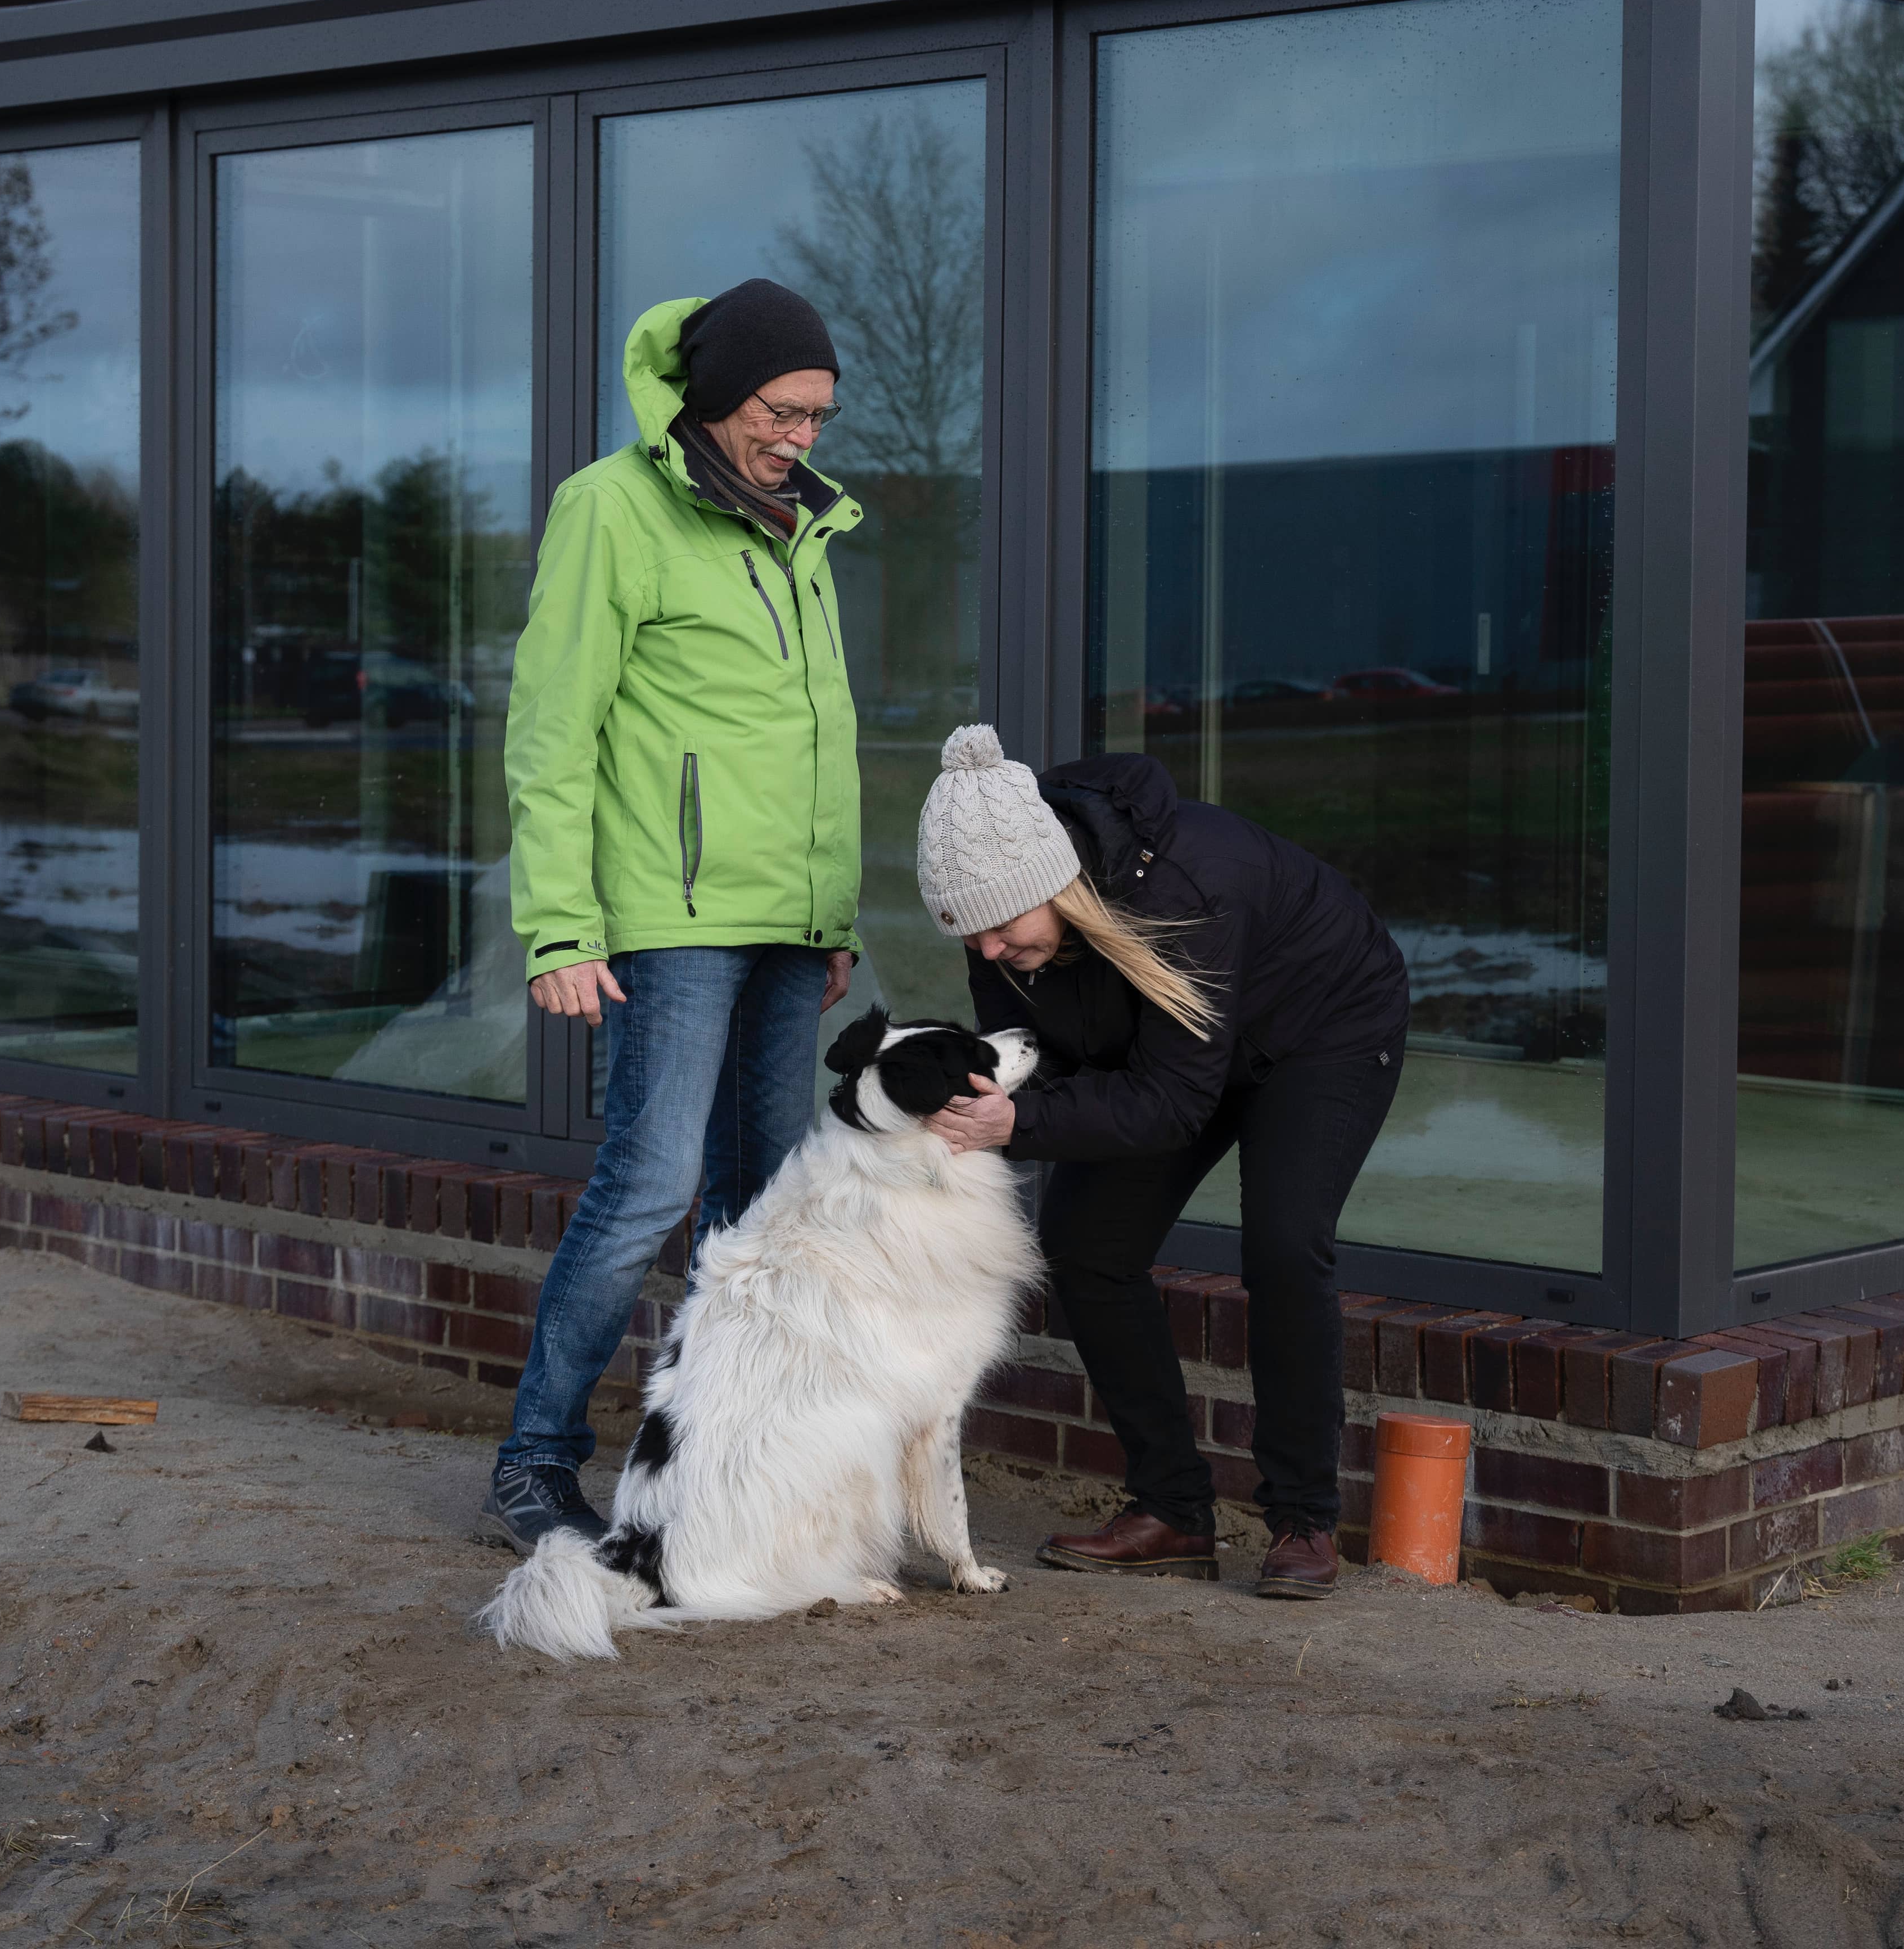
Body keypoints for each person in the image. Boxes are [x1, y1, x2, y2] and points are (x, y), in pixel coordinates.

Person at [488, 278, 866, 1549]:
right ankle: (535, 1461)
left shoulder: (800, 527)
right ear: (715, 399)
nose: (804, 437)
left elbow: (814, 736)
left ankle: (720, 1458)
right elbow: (553, 728)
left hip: (783, 920)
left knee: (758, 1207)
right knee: (651, 1185)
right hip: (675, 913)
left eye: (819, 416)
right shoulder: (614, 508)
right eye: (784, 411)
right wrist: (560, 924)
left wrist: (833, 912)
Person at [914, 725, 1409, 1600]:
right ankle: (1174, 1511)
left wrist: (1018, 1121)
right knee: (1085, 1242)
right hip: (1173, 1049)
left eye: (998, 925)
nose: (987, 951)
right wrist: (985, 1106)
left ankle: (1302, 1518)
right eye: (968, 933)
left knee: (1286, 1249)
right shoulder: (1006, 930)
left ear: (1052, 885)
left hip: (1318, 1030)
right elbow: (1048, 1056)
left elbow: (1174, 1103)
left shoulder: (1184, 887)